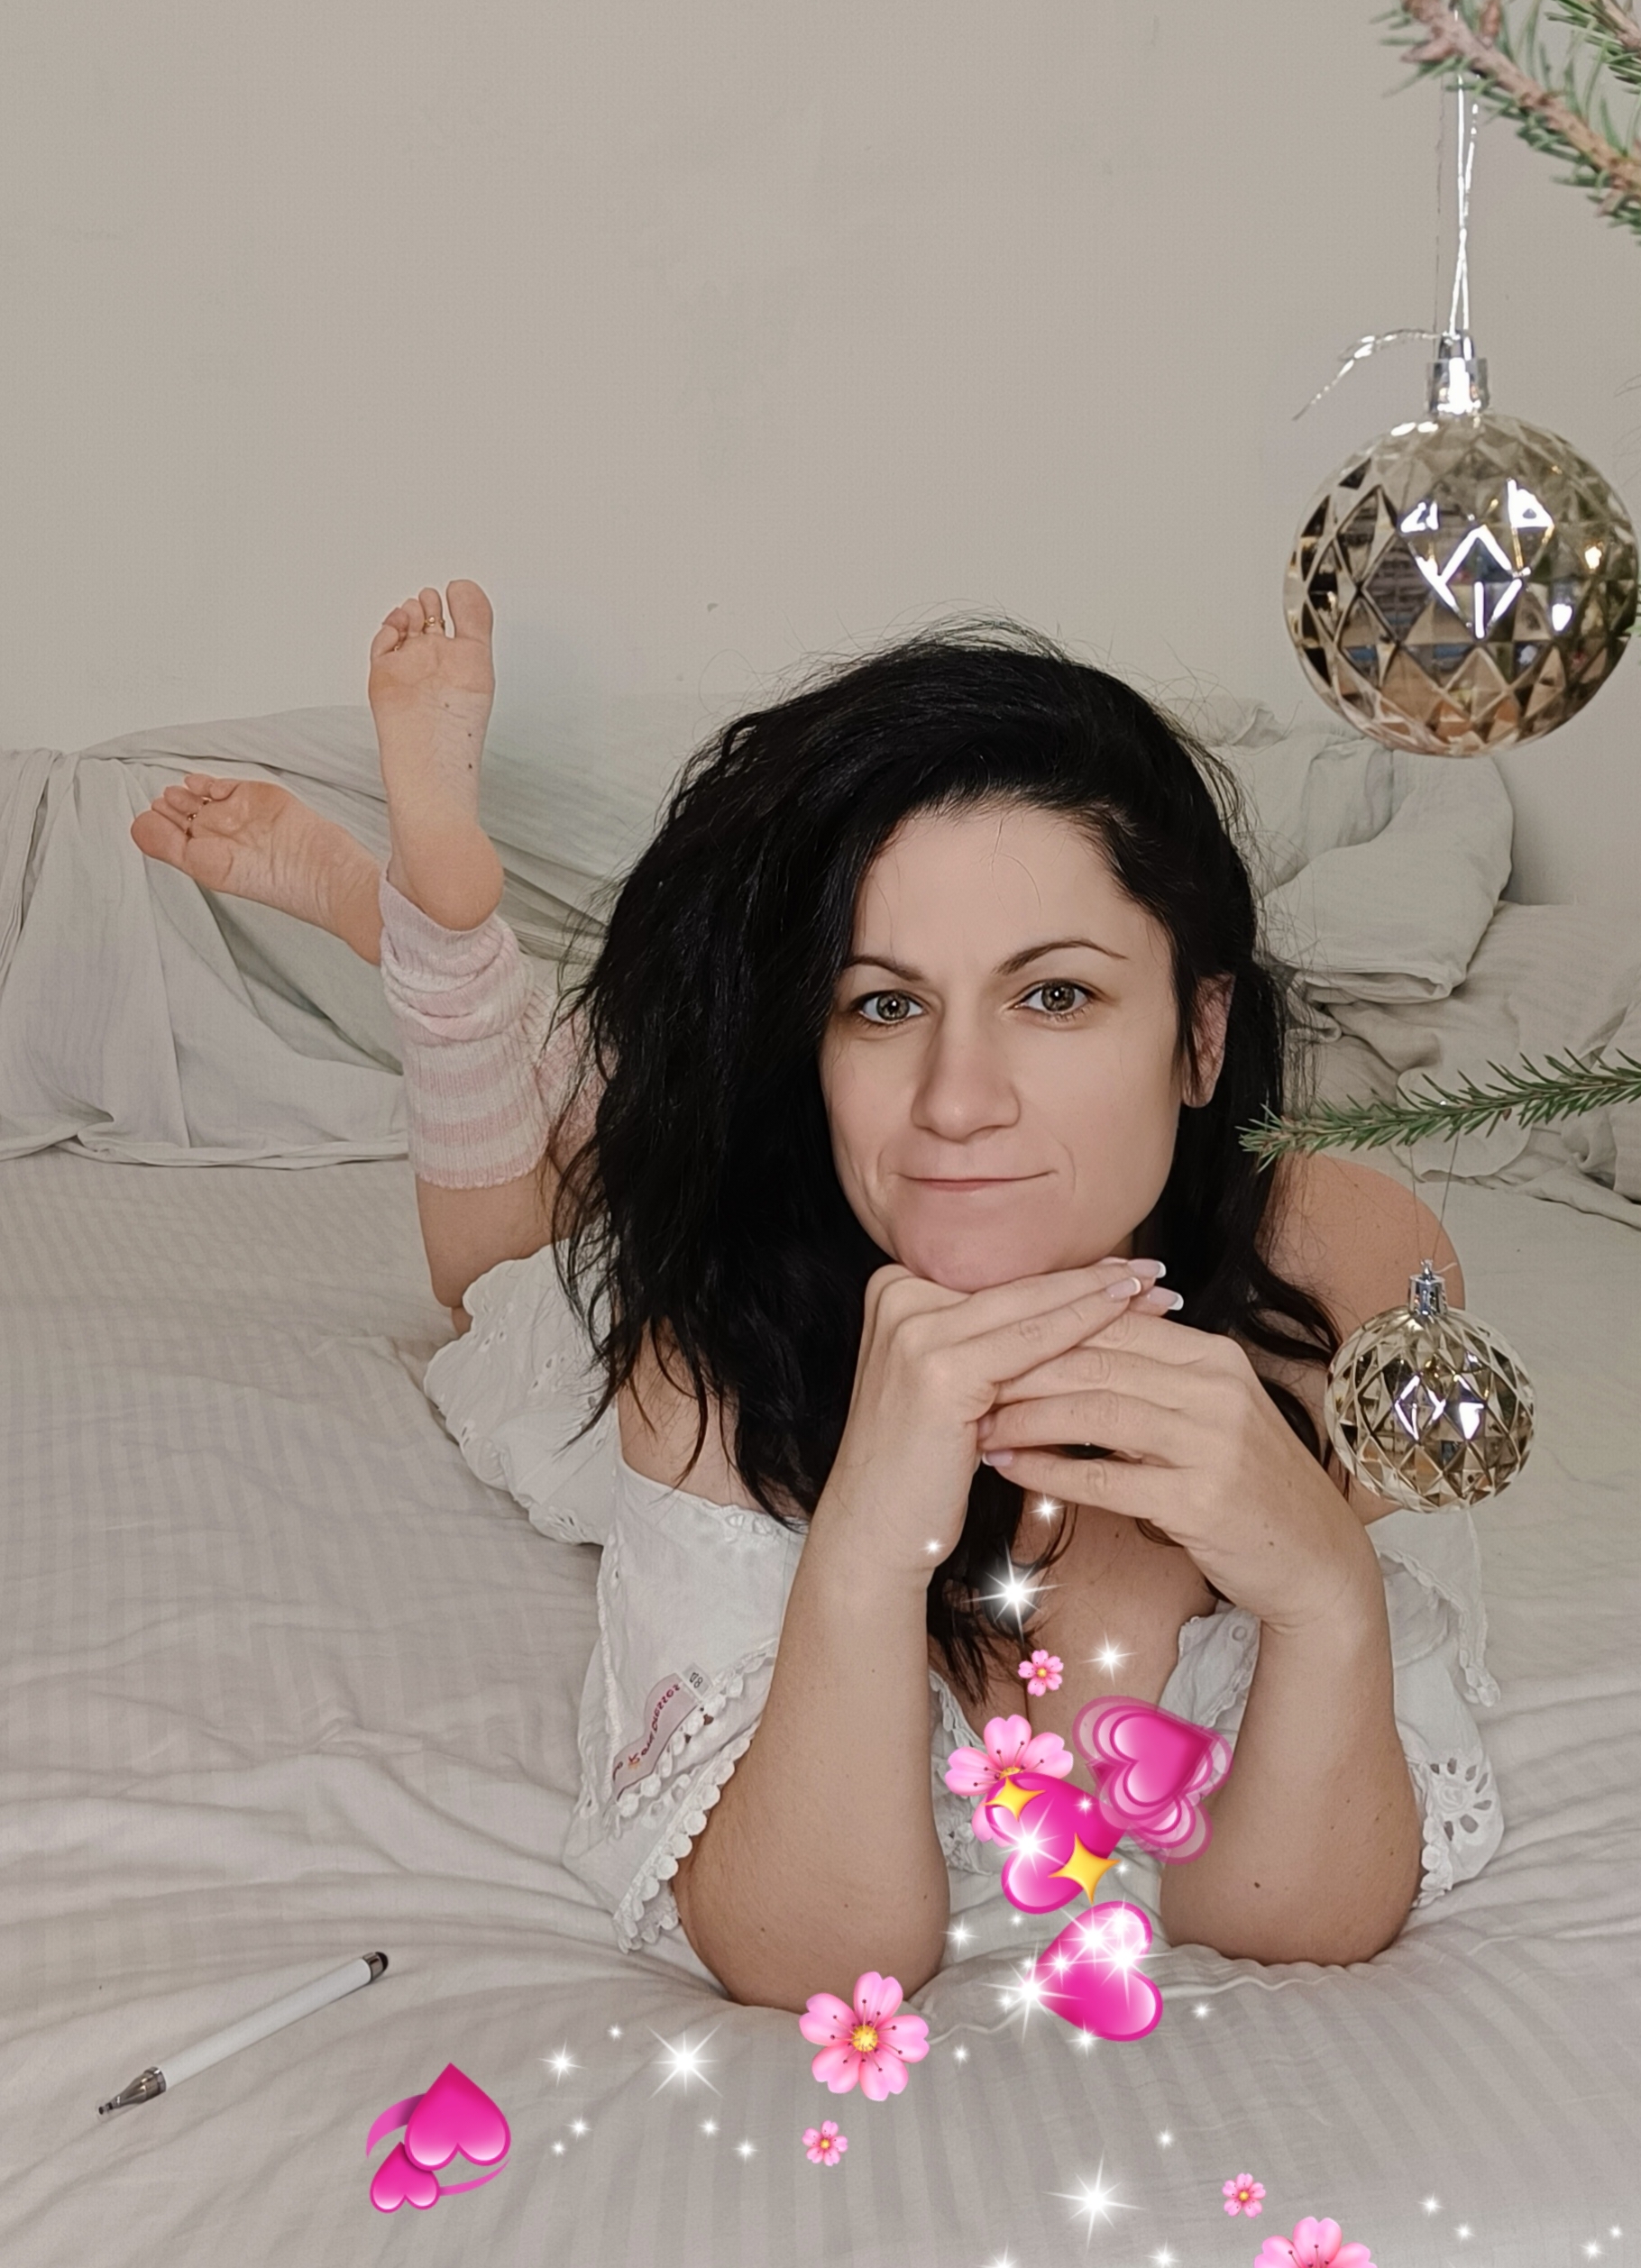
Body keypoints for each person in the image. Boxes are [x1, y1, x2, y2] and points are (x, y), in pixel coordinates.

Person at [132, 580, 1503, 2010]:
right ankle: (440, 941)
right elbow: (816, 1956)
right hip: (775, 1240)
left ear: (1202, 1033)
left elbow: (1289, 1920)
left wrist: (1321, 1586)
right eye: (885, 1004)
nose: (958, 1101)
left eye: (1055, 996)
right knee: (503, 1284)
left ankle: (464, 963)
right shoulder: (710, 1354)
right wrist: (862, 1551)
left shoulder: (1350, 1283)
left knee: (610, 1160)